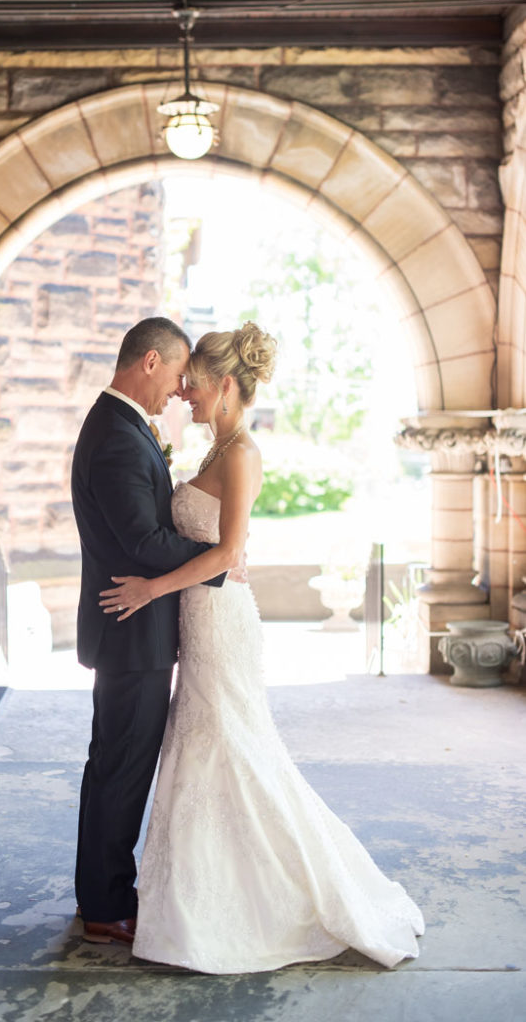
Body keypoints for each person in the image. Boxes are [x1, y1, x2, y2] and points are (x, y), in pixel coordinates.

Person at [99, 321, 425, 973]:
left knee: (232, 748)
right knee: (205, 752)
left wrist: (151, 588)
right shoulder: (216, 451)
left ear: (224, 385)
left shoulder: (241, 452)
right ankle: (202, 896)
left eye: (192, 387)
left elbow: (227, 552)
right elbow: (214, 544)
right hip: (198, 617)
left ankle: (280, 896)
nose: (183, 395)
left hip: (220, 622)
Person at [71, 316, 226, 946]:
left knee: (116, 762)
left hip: (131, 630)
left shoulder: (125, 428)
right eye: (179, 372)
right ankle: (106, 905)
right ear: (152, 361)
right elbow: (140, 539)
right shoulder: (116, 436)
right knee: (122, 767)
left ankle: (104, 890)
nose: (179, 391)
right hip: (130, 632)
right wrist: (216, 564)